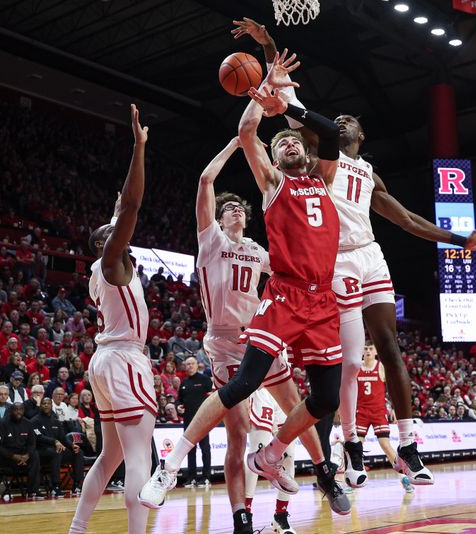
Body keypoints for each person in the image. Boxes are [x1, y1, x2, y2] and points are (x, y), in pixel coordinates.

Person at [232, 16, 476, 489]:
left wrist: (463, 241)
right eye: (336, 121)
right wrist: (269, 44)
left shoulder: (369, 175)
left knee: (391, 350)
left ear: (362, 135)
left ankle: (407, 445)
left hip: (371, 256)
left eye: (349, 120)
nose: (341, 121)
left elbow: (408, 220)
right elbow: (284, 87)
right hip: (330, 262)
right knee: (352, 364)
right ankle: (351, 446)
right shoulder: (319, 160)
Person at [141, 51, 349, 516]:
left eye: (294, 143)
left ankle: (275, 455)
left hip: (323, 301)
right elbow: (246, 134)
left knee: (326, 398)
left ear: (307, 151)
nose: (289, 145)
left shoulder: (324, 178)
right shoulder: (273, 183)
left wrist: (290, 107)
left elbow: (332, 132)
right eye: (282, 146)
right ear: (272, 160)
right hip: (283, 299)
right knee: (241, 386)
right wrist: (263, 98)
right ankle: (170, 468)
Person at [189, 132, 312, 532]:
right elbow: (206, 181)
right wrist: (236, 146)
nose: (234, 212)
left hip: (258, 339)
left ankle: (296, 492)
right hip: (224, 343)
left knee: (289, 416)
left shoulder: (258, 251)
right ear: (220, 219)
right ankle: (242, 517)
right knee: (238, 433)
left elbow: (288, 272)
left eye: (238, 209)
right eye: (228, 210)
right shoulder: (210, 241)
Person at [69, 104, 155, 534]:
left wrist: (121, 204)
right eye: (114, 230)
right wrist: (138, 148)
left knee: (110, 457)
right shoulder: (111, 260)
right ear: (108, 242)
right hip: (124, 359)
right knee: (141, 458)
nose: (120, 231)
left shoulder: (103, 271)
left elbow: (124, 205)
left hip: (105, 362)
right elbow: (132, 204)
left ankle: (77, 528)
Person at [355, 343, 413, 492]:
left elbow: (393, 387)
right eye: (365, 348)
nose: (368, 351)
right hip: (360, 411)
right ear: (362, 351)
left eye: (370, 349)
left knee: (386, 446)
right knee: (356, 447)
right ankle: (354, 481)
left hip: (378, 411)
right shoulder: (356, 367)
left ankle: (404, 478)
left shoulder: (380, 367)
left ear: (375, 351)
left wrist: (394, 407)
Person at [244, 387, 298, 533]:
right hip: (261, 387)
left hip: (283, 389)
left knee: (289, 455)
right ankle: (245, 518)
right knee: (256, 454)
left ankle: (280, 516)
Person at [0, 403, 43, 502]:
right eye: (16, 409)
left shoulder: (28, 424)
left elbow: (32, 443)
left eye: (21, 409)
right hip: (5, 455)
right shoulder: (1, 424)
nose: (18, 412)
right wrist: (13, 456)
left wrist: (27, 455)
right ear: (11, 411)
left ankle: (33, 490)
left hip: (21, 455)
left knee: (35, 454)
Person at [31, 396, 84, 497]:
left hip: (56, 449)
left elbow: (63, 438)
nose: (46, 405)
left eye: (48, 403)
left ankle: (77, 485)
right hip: (41, 451)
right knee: (56, 452)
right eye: (44, 403)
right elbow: (39, 437)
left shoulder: (55, 421)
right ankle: (55, 486)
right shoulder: (34, 421)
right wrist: (54, 441)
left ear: (51, 406)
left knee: (78, 452)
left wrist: (72, 445)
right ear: (40, 406)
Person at [176, 357, 212, 488]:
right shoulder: (184, 382)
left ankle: (206, 477)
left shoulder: (205, 380)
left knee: (205, 449)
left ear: (197, 365)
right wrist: (178, 406)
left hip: (203, 421)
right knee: (190, 450)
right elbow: (179, 400)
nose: (190, 366)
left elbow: (213, 397)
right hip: (188, 421)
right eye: (187, 364)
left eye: (192, 364)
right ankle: (191, 478)